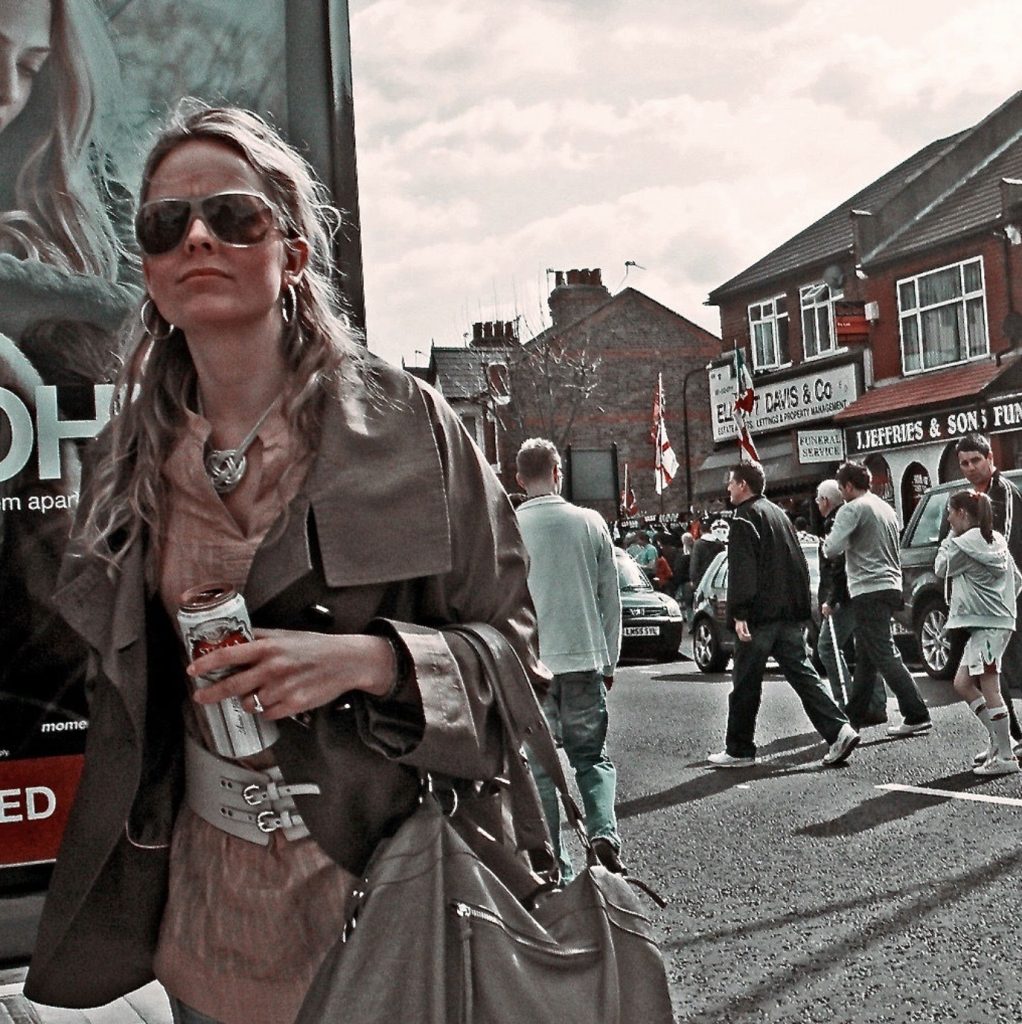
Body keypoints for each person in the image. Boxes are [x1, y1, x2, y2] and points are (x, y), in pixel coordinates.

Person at [24, 104, 551, 1024]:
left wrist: (374, 663)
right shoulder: (125, 461)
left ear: (294, 251)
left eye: (234, 217)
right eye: (165, 225)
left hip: (388, 908)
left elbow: (515, 659)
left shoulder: (407, 427)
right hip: (208, 926)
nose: (197, 238)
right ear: (146, 271)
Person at [515, 437, 624, 876]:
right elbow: (609, 598)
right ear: (558, 472)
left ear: (519, 479)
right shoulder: (591, 523)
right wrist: (610, 660)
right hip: (584, 659)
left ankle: (550, 859)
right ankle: (602, 832)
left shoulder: (507, 526)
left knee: (540, 770)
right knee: (592, 758)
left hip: (529, 667)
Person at [707, 462, 859, 769]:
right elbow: (799, 565)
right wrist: (801, 609)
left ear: (743, 486)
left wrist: (739, 613)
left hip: (759, 616)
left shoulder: (744, 519)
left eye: (732, 483)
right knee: (804, 676)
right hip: (788, 615)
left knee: (745, 683)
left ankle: (739, 750)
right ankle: (840, 730)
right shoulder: (779, 515)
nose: (728, 489)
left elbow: (743, 571)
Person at [824, 461, 932, 737]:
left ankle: (917, 712)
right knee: (867, 655)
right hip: (890, 584)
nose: (841, 493)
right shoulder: (886, 508)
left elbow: (831, 548)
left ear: (848, 486)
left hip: (867, 587)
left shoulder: (852, 509)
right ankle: (854, 717)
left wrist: (840, 539)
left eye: (841, 488)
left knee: (883, 652)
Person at [940, 432, 1022, 748]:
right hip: (977, 603)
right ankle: (1003, 741)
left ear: (990, 459)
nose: (970, 467)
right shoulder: (972, 498)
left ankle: (1008, 742)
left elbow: (1005, 547)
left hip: (1000, 600)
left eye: (976, 460)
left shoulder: (1004, 494)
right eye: (964, 463)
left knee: (994, 674)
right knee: (982, 676)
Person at [814, 478, 887, 721]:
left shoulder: (836, 522)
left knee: (827, 647)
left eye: (817, 498)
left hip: (845, 597)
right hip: (862, 591)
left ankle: (846, 701)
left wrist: (831, 599)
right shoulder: (852, 514)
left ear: (825, 501)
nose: (816, 503)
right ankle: (876, 705)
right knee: (866, 648)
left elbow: (838, 565)